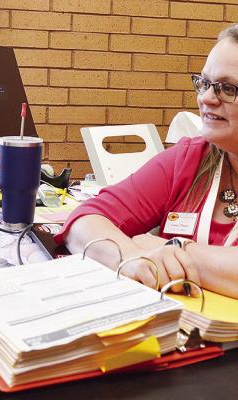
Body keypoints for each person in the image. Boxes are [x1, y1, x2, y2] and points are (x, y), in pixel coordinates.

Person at [56, 24, 238, 300]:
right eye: (203, 83)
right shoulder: (190, 159)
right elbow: (83, 220)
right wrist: (131, 257)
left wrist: (174, 250)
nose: (205, 98)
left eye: (226, 88)